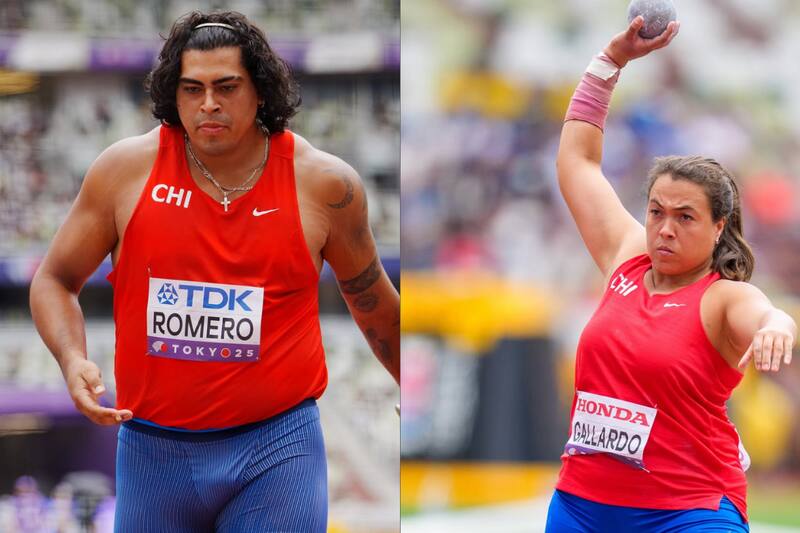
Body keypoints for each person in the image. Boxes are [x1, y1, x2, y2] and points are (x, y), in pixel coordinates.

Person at [29, 11, 398, 533]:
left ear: (260, 92)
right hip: (153, 452)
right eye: (191, 89)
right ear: (172, 95)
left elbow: (372, 301)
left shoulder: (324, 185)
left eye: (227, 87)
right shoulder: (123, 172)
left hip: (276, 449)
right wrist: (71, 359)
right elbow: (53, 279)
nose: (208, 105)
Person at [546, 16, 796, 533]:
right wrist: (609, 63)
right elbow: (578, 162)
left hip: (687, 512)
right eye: (657, 211)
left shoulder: (722, 296)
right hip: (581, 508)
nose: (664, 229)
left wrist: (776, 327)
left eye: (685, 217)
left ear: (718, 226)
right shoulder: (626, 256)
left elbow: (767, 313)